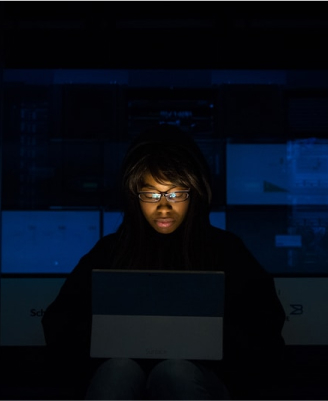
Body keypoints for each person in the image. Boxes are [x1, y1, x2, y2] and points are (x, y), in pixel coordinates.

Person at [41, 123, 286, 400]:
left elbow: (265, 332)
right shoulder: (112, 250)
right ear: (135, 197)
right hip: (121, 373)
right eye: (151, 194)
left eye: (175, 193)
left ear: (194, 193)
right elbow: (60, 324)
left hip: (205, 377)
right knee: (118, 370)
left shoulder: (226, 250)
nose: (164, 206)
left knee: (175, 371)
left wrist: (210, 342)